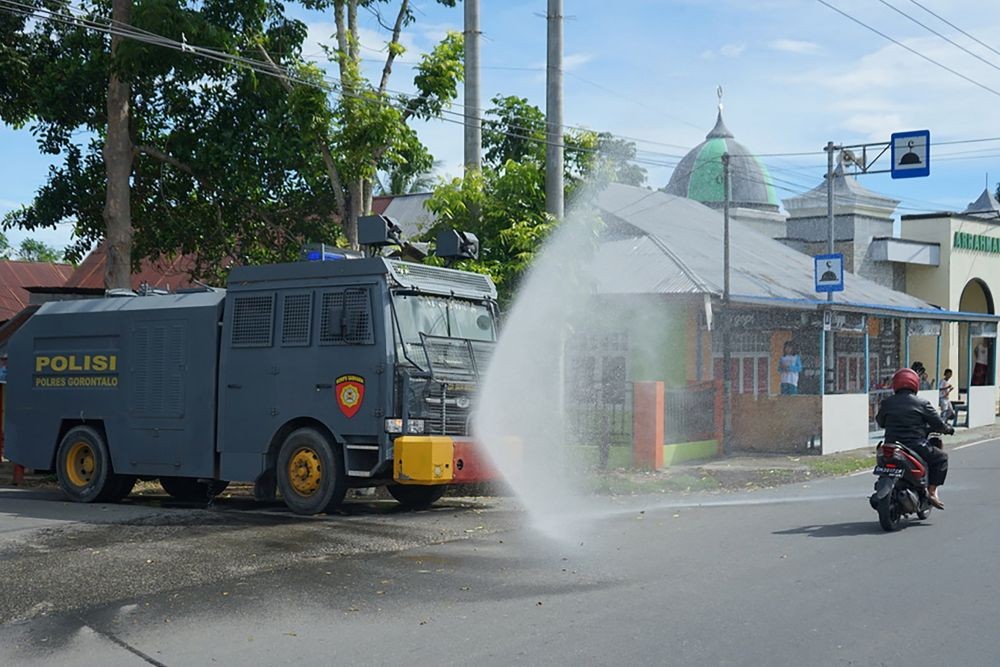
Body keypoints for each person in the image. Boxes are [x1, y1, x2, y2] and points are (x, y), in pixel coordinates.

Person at [876, 368, 953, 509]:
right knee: (941, 458)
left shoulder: (887, 403)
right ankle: (931, 492)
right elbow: (938, 424)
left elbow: (880, 422)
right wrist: (948, 429)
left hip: (891, 446)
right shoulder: (922, 403)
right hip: (915, 445)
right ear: (915, 384)